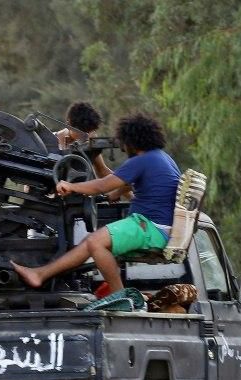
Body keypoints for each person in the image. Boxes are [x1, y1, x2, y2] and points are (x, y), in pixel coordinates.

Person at [12, 112, 180, 293]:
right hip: (157, 227)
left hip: (150, 228)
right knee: (89, 243)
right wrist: (116, 194)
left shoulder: (142, 161)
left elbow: (101, 185)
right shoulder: (162, 158)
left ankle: (120, 297)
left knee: (96, 243)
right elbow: (136, 184)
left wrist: (71, 186)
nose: (123, 148)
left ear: (131, 141)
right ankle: (40, 275)